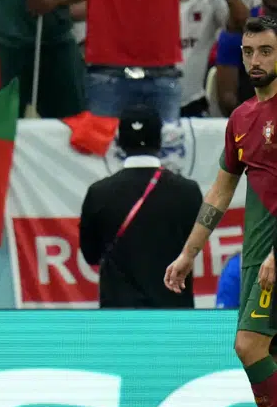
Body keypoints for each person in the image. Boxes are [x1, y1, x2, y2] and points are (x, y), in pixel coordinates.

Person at [165, 15, 277, 407]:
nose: (255, 61)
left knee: (248, 346)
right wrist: (190, 252)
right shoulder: (242, 118)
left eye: (266, 51)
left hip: (274, 255)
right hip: (256, 255)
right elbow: (220, 190)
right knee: (267, 352)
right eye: (249, 52)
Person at [80, 104, 201, 307]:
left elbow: (91, 255)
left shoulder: (99, 193)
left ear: (120, 142)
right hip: (174, 318)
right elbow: (195, 248)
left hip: (119, 319)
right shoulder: (188, 191)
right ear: (159, 140)